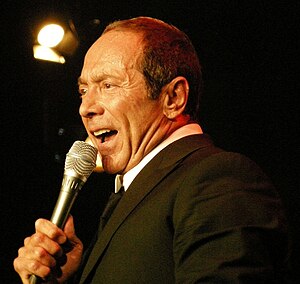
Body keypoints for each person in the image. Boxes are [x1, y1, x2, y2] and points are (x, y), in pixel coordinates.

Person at [14, 16, 289, 283]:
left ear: (173, 97)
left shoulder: (218, 179)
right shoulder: (135, 193)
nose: (86, 108)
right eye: (83, 91)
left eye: (108, 85)